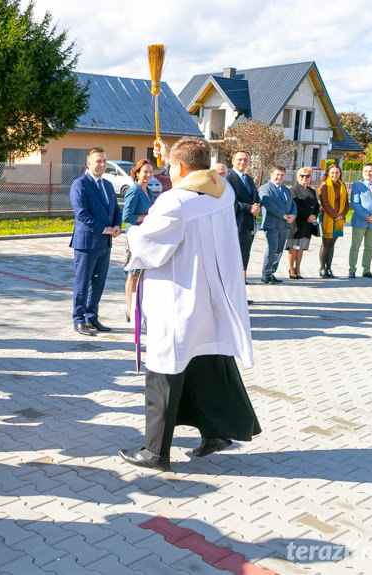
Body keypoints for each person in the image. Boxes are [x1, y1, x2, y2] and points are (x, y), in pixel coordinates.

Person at [118, 137, 260, 470]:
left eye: (170, 166)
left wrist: (131, 232)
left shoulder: (173, 202)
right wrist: (169, 154)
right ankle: (215, 432)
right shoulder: (223, 190)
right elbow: (194, 178)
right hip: (212, 297)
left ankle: (154, 453)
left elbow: (149, 246)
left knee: (164, 372)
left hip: (178, 297)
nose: (167, 170)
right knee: (204, 364)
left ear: (180, 167)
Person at [70, 147, 122, 336]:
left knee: (98, 284)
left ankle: (92, 317)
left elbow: (116, 209)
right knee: (83, 283)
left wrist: (117, 225)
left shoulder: (107, 185)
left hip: (105, 244)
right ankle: (79, 319)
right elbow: (81, 213)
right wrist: (103, 228)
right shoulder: (80, 184)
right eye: (98, 161)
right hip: (86, 244)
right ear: (88, 163)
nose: (102, 164)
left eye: (104, 161)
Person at [121, 159, 155, 322]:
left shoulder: (148, 190)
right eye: (145, 172)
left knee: (141, 272)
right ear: (137, 173)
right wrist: (147, 217)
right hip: (134, 237)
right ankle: (130, 309)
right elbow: (126, 216)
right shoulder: (134, 191)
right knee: (133, 273)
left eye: (150, 171)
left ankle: (138, 306)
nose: (148, 175)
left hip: (145, 236)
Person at [258, 166, 296, 284]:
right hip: (272, 224)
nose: (279, 177)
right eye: (277, 174)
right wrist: (283, 215)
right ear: (271, 174)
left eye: (282, 175)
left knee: (279, 250)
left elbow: (293, 204)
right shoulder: (265, 188)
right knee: (272, 248)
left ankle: (271, 273)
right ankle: (265, 274)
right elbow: (268, 204)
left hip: (284, 225)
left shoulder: (285, 189)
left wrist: (293, 215)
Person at [226, 150, 260, 279]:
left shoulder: (249, 179)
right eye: (239, 159)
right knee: (234, 255)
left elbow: (256, 198)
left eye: (245, 160)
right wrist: (249, 208)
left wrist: (257, 206)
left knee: (245, 254)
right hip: (236, 223)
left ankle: (242, 285)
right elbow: (231, 201)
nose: (242, 162)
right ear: (233, 161)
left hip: (249, 224)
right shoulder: (228, 179)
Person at [286, 167, 320, 279]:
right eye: (302, 176)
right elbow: (296, 205)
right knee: (293, 247)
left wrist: (314, 215)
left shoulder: (312, 191)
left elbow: (317, 206)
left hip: (307, 224)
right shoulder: (293, 190)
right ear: (298, 177)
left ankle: (298, 269)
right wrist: (308, 215)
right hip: (296, 223)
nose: (305, 178)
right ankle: (291, 269)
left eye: (307, 176)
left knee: (301, 248)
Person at [317, 164, 349, 278]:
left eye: (337, 173)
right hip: (327, 217)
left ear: (340, 173)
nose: (334, 175)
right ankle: (322, 269)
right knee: (326, 243)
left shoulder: (342, 185)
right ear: (328, 174)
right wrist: (335, 215)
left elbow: (346, 203)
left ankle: (329, 268)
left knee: (332, 244)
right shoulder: (324, 185)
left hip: (339, 219)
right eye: (332, 173)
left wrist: (342, 215)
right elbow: (324, 203)